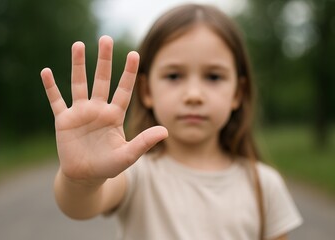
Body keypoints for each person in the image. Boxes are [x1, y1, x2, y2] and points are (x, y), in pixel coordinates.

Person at [40, 3, 302, 240]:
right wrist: (81, 181)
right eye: (174, 76)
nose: (193, 95)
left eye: (213, 77)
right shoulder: (136, 173)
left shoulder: (264, 184)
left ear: (237, 93)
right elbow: (80, 206)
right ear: (147, 91)